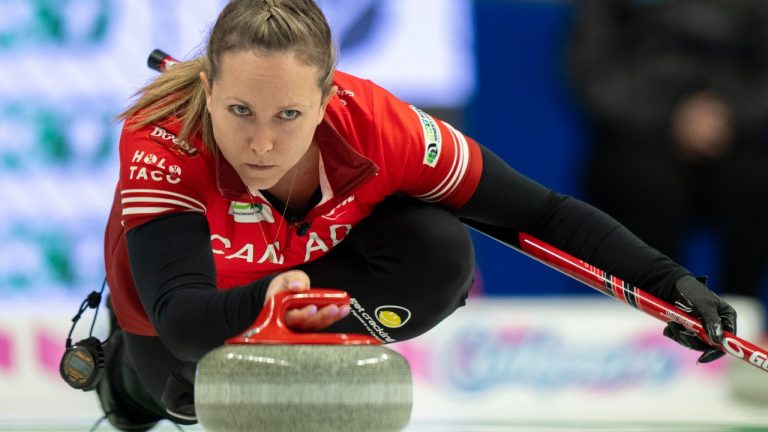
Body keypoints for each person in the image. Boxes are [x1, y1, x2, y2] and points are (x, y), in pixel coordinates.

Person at [94, 0, 736, 430]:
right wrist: (270, 298)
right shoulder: (163, 137)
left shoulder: (383, 128)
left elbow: (543, 214)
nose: (262, 143)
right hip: (194, 304)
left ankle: (307, 346)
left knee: (438, 248)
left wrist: (671, 285)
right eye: (240, 112)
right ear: (208, 91)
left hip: (303, 285)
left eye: (288, 115)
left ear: (326, 99)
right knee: (178, 398)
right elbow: (180, 318)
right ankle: (125, 374)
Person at [567, 0, 768, 308]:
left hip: (731, 133)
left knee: (753, 183)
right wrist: (669, 119)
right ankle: (657, 319)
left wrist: (728, 116)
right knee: (647, 186)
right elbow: (591, 72)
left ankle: (740, 327)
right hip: (638, 137)